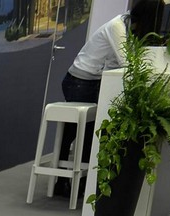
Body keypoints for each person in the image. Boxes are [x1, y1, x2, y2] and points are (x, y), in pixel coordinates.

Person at [58, 0, 161, 195]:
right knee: (87, 132)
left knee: (86, 132)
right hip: (80, 81)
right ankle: (71, 182)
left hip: (94, 81)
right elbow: (126, 61)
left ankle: (75, 182)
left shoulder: (128, 28)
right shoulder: (118, 27)